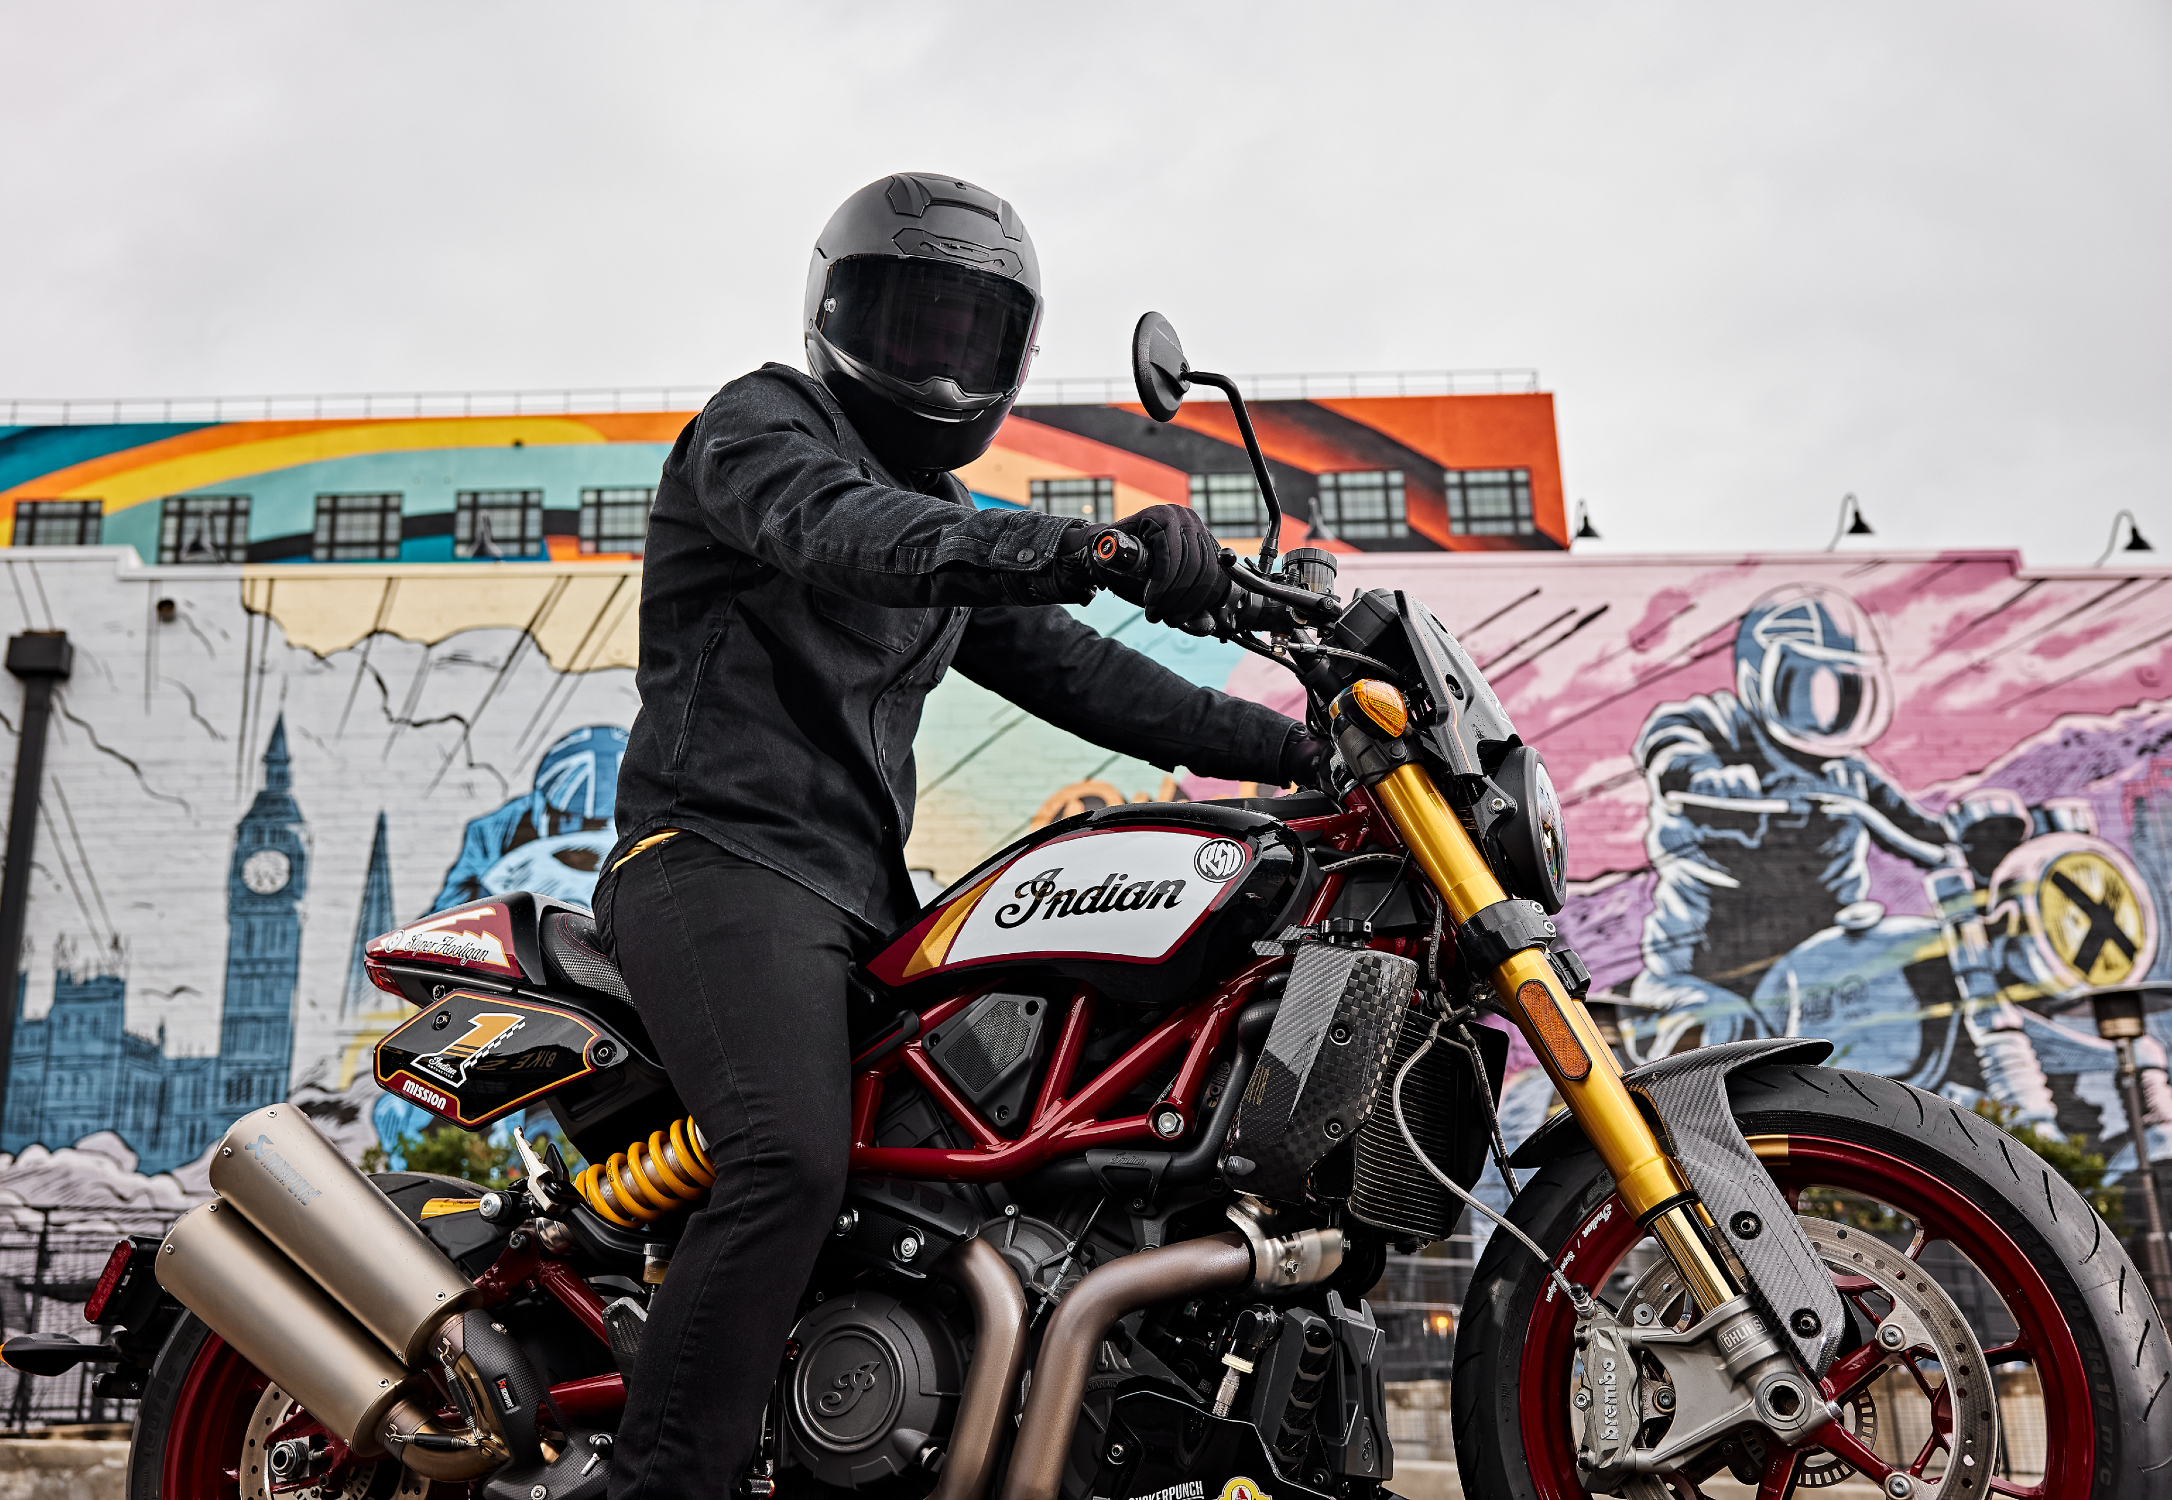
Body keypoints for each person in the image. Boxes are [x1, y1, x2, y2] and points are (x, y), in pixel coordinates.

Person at [594, 173, 1324, 1500]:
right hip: (715, 861)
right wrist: (1091, 546)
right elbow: (848, 532)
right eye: (909, 322)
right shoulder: (764, 426)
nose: (936, 362)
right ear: (835, 310)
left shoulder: (942, 526)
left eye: (966, 336)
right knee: (787, 1154)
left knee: (1018, 1151)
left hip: (864, 903)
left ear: (1007, 359)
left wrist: (1305, 747)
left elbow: (1089, 680)